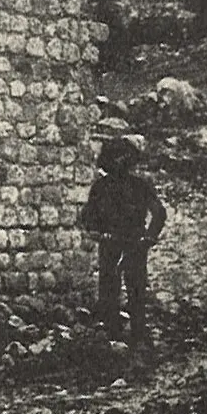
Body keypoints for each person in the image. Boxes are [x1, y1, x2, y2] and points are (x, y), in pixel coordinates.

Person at [79, 135, 167, 341]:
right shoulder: (102, 187)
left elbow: (159, 213)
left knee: (133, 288)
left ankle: (135, 335)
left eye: (122, 159)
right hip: (114, 243)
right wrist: (96, 232)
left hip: (133, 243)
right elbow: (87, 216)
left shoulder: (137, 186)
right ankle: (114, 334)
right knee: (111, 288)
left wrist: (148, 239)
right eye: (115, 159)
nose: (119, 164)